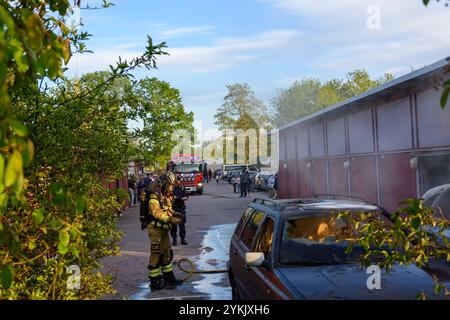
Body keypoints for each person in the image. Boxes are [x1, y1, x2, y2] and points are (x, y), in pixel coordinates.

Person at [140, 171, 183, 290]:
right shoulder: (154, 195)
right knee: (156, 253)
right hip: (155, 229)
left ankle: (169, 278)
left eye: (173, 186)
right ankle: (155, 280)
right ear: (164, 183)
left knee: (167, 253)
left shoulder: (166, 194)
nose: (172, 188)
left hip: (164, 229)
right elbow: (155, 212)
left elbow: (167, 209)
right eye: (170, 185)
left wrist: (175, 213)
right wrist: (170, 219)